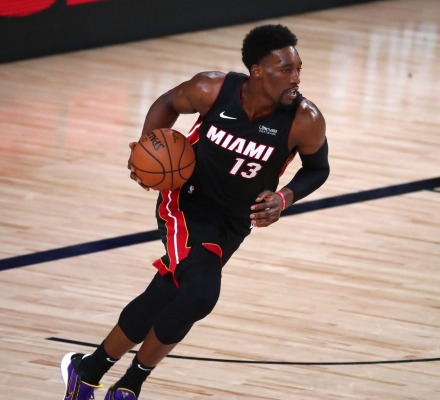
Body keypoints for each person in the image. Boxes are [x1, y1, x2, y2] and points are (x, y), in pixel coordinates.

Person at [61, 23, 330, 400]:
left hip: (235, 220)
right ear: (257, 71)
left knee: (169, 292)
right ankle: (129, 387)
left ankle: (88, 371)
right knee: (201, 292)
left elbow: (318, 168)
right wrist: (145, 148)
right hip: (186, 202)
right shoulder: (212, 89)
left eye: (298, 69)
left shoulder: (305, 119)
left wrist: (284, 198)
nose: (296, 78)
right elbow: (167, 104)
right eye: (285, 70)